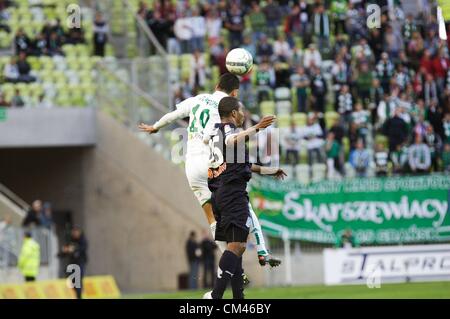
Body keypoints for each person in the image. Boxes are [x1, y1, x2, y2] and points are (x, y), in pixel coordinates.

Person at [138, 73, 280, 267]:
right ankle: (262, 249)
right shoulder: (228, 105)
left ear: (216, 84)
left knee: (212, 218)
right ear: (235, 92)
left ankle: (233, 268)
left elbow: (173, 115)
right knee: (242, 202)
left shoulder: (197, 99)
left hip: (191, 165)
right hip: (213, 162)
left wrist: (155, 127)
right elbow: (228, 139)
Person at [204, 97, 286, 299]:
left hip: (221, 193)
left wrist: (270, 170)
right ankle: (214, 296)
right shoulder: (229, 132)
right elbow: (232, 140)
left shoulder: (216, 132)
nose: (244, 114)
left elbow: (246, 165)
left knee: (236, 247)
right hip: (233, 193)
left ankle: (238, 299)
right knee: (238, 246)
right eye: (241, 111)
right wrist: (257, 127)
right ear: (233, 113)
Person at [59, 226, 88, 299]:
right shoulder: (70, 240)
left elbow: (82, 249)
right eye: (74, 232)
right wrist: (63, 252)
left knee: (78, 280)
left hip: (80, 263)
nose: (75, 233)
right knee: (72, 281)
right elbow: (65, 250)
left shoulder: (82, 240)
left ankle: (79, 296)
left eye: (76, 232)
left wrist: (74, 249)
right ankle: (78, 292)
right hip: (72, 263)